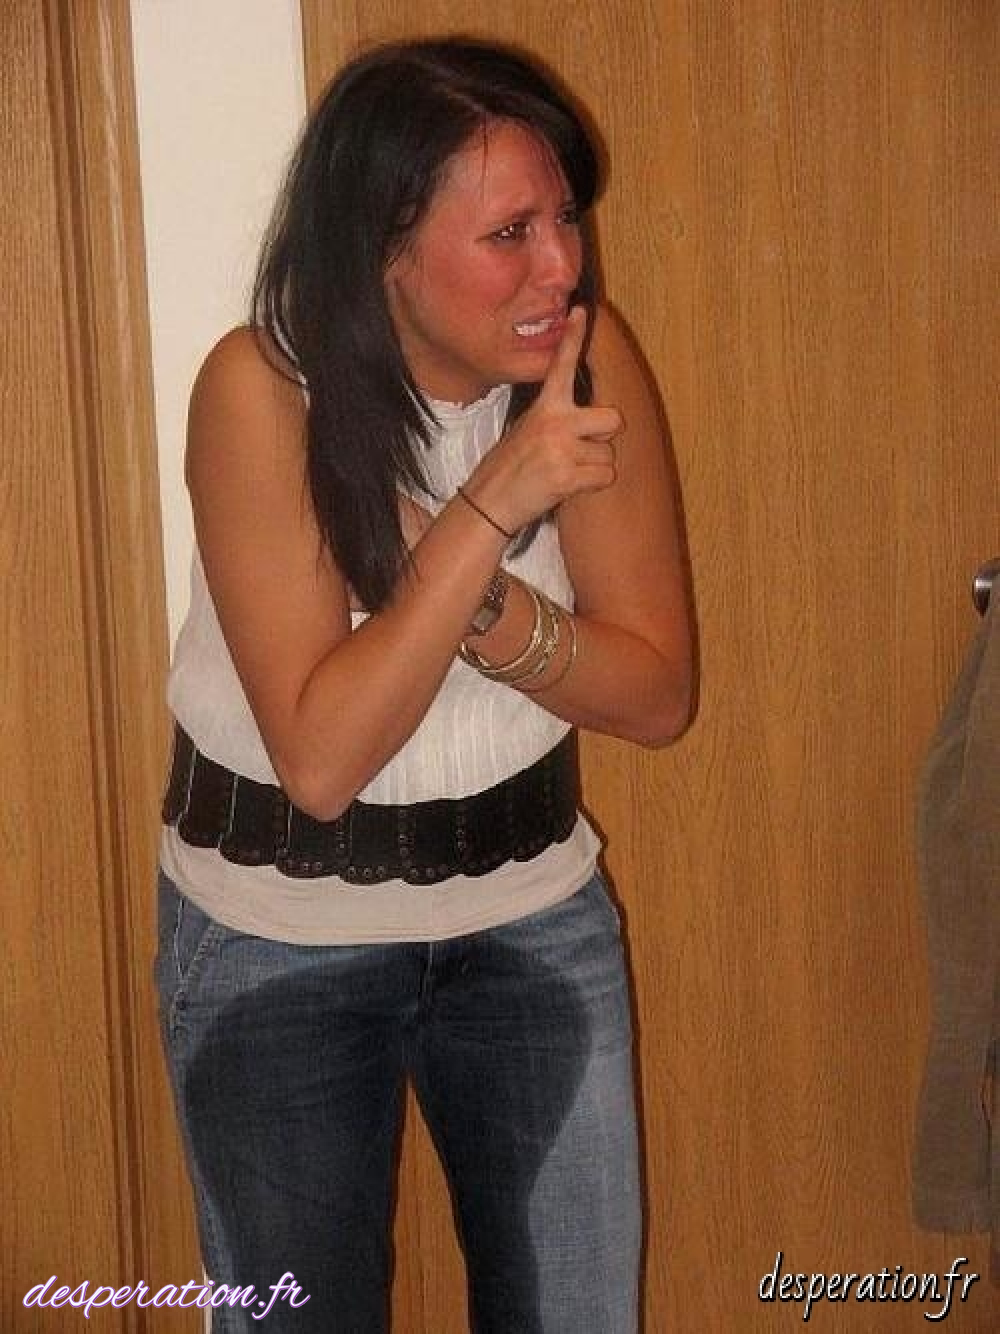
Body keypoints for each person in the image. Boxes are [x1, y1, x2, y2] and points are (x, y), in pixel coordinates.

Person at [155, 34, 693, 1334]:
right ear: (383, 249)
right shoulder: (260, 393)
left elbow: (656, 694)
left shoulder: (583, 359)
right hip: (277, 933)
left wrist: (473, 594)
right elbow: (323, 759)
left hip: (529, 913)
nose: (561, 267)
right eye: (509, 233)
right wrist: (495, 502)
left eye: (564, 218)